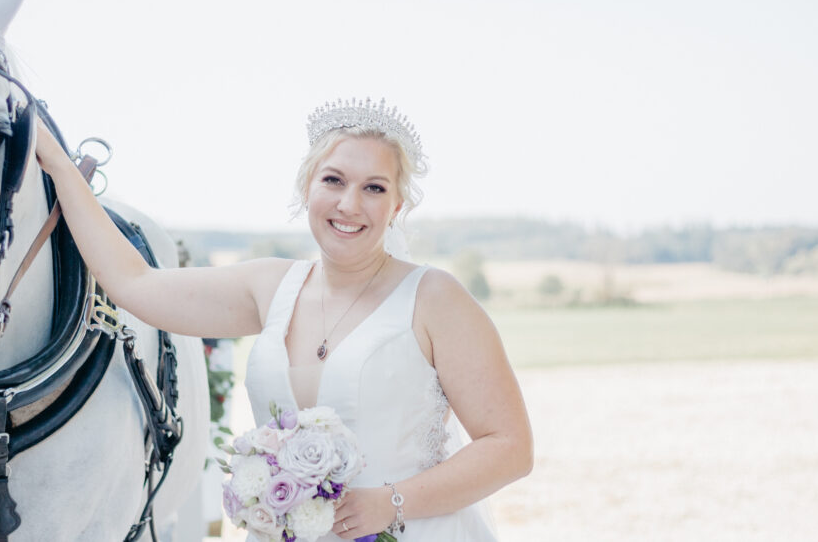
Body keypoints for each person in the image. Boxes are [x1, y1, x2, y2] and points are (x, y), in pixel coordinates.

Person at [35, 97, 532, 541]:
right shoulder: (269, 288)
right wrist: (58, 164)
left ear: (397, 206)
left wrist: (389, 503)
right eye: (333, 180)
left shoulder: (435, 298)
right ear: (307, 187)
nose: (349, 204)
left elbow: (510, 447)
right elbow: (134, 284)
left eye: (374, 188)